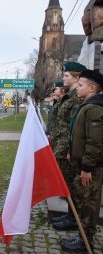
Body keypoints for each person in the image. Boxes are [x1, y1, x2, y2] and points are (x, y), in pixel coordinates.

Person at [60, 70, 103, 252]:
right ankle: (82, 236)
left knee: (89, 204)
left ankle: (86, 242)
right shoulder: (86, 106)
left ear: (92, 88)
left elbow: (95, 142)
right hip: (82, 164)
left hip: (91, 168)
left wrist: (87, 167)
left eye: (81, 85)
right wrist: (72, 152)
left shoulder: (94, 108)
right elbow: (79, 136)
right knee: (83, 201)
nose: (77, 89)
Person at [51, 62, 87, 231]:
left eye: (66, 76)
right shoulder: (68, 97)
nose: (63, 78)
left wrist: (70, 150)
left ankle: (73, 219)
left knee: (70, 185)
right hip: (61, 144)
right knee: (66, 183)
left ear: (76, 78)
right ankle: (70, 214)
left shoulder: (75, 98)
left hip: (67, 147)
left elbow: (74, 126)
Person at [45, 81, 69, 149]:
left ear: (63, 90)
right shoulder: (57, 104)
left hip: (60, 138)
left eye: (56, 89)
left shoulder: (64, 103)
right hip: (54, 136)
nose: (54, 91)